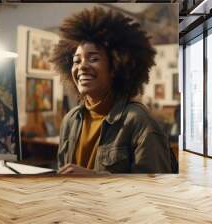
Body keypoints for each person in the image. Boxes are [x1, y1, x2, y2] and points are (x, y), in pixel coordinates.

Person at [50, 7, 177, 174]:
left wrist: (95, 179)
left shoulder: (139, 122)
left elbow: (155, 191)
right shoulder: (70, 120)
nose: (82, 67)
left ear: (116, 66)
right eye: (76, 60)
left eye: (94, 58)